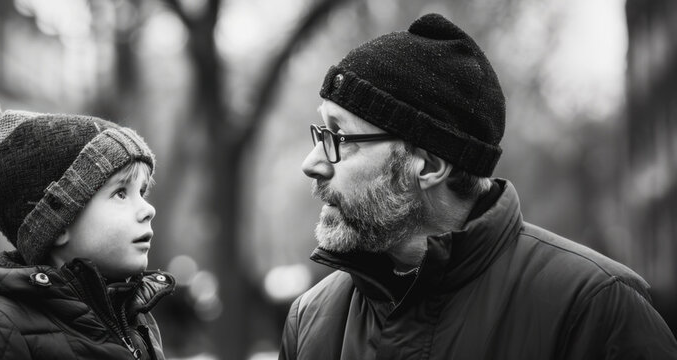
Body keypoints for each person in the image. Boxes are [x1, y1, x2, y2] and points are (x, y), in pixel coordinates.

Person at [279, 13, 677, 359]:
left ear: (430, 165)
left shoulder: (595, 309)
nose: (312, 163)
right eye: (320, 132)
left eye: (340, 138)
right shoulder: (312, 320)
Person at [0, 92, 174, 360]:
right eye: (121, 193)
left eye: (142, 192)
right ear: (59, 223)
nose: (148, 210)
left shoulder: (138, 321)